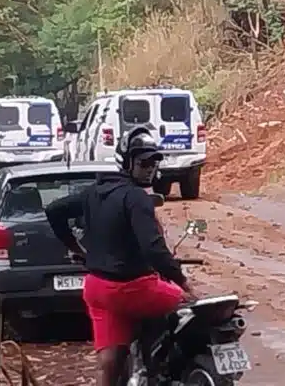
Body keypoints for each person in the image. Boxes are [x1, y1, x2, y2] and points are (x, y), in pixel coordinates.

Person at [45, 126, 194, 386]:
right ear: (126, 163)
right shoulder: (136, 197)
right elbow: (153, 249)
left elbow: (54, 210)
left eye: (154, 162)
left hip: (98, 290)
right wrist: (183, 282)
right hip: (134, 289)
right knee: (190, 308)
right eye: (144, 163)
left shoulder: (93, 193)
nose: (150, 169)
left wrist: (76, 248)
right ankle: (162, 368)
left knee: (110, 362)